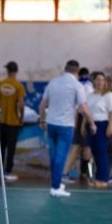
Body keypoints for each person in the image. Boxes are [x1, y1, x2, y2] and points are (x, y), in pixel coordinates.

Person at [39, 60, 96, 197]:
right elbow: (83, 108)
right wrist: (92, 123)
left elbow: (42, 105)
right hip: (65, 126)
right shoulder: (77, 85)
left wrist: (42, 120)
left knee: (53, 156)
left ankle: (56, 183)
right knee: (61, 157)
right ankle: (56, 188)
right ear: (77, 71)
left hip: (51, 124)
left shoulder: (53, 82)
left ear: (65, 68)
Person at [82, 72, 112, 189]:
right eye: (98, 80)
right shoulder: (90, 96)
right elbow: (87, 112)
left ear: (105, 82)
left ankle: (104, 180)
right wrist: (83, 125)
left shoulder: (109, 95)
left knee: (101, 152)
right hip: (91, 125)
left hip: (103, 125)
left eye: (102, 80)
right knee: (95, 153)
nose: (100, 82)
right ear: (94, 81)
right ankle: (98, 178)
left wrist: (110, 126)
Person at [62, 67, 94, 183]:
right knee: (79, 148)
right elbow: (85, 107)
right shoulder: (87, 87)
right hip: (84, 118)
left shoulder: (77, 86)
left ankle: (85, 173)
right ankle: (65, 172)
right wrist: (83, 123)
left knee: (85, 148)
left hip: (80, 118)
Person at [0, 61, 25, 181]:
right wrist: (21, 117)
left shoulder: (1, 84)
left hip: (1, 121)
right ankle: (8, 172)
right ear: (16, 71)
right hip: (13, 123)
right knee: (11, 148)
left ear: (7, 71)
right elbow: (21, 104)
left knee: (0, 147)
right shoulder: (18, 86)